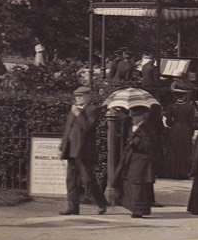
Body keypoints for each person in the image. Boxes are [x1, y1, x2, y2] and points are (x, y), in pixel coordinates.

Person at [59, 85, 106, 215]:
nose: (78, 99)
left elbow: (87, 127)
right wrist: (62, 147)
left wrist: (78, 114)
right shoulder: (74, 110)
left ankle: (101, 203)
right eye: (76, 96)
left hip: (84, 151)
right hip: (71, 150)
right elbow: (67, 130)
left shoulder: (92, 110)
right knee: (71, 179)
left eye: (80, 96)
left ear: (88, 97)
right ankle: (72, 207)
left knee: (88, 179)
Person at [116, 105, 156, 218]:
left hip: (142, 160)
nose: (133, 117)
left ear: (142, 116)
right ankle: (133, 207)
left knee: (139, 184)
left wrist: (136, 142)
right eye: (132, 115)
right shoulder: (132, 127)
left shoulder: (147, 128)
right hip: (133, 159)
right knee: (132, 182)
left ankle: (139, 210)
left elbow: (148, 145)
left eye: (136, 115)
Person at [161, 84, 196, 179]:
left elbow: (168, 121)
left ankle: (171, 172)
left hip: (174, 130)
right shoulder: (190, 107)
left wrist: (173, 124)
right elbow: (191, 122)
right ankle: (183, 172)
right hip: (185, 129)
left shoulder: (171, 107)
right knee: (184, 150)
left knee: (173, 150)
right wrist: (191, 133)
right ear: (184, 96)